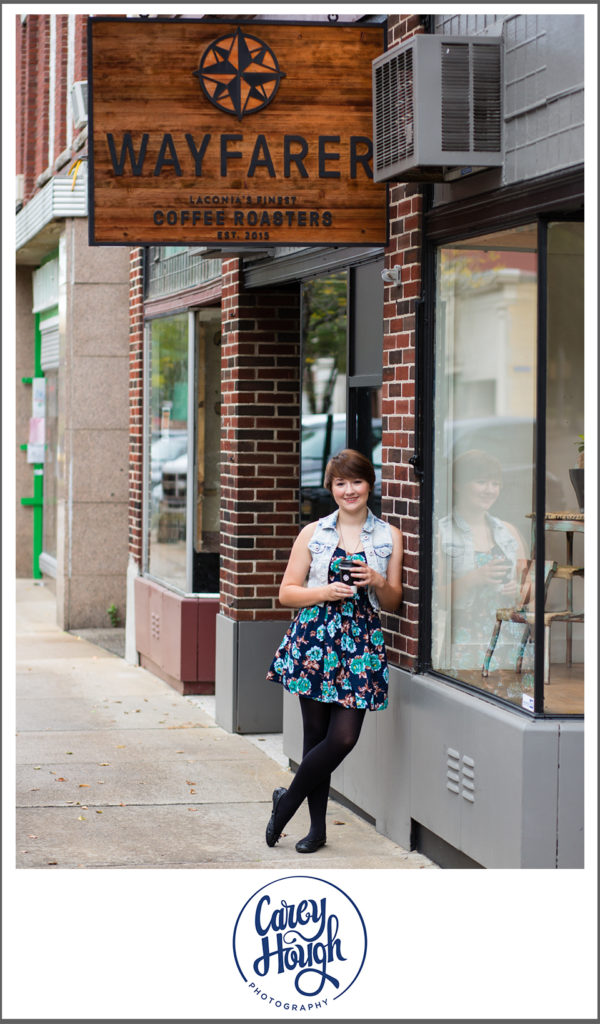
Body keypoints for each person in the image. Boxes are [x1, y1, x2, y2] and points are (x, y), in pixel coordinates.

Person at [265, 449, 403, 853]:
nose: (349, 490)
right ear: (331, 488)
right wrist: (324, 592)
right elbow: (286, 593)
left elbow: (393, 602)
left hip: (360, 643)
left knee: (342, 738)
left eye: (356, 481)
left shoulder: (389, 536)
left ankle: (286, 801)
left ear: (370, 485)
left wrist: (377, 579)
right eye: (340, 483)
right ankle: (317, 830)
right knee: (315, 737)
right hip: (315, 639)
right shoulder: (313, 533)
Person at [435, 449, 528, 678]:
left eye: (495, 484)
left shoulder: (509, 532)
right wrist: (474, 578)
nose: (489, 490)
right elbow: (435, 598)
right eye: (481, 481)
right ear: (458, 485)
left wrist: (518, 590)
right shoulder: (442, 532)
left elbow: (531, 589)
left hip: (509, 640)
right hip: (465, 641)